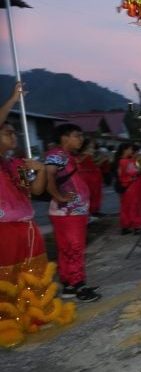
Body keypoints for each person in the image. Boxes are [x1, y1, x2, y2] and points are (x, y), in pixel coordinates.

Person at [44, 123, 101, 302]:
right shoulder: (57, 154)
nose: (81, 139)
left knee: (69, 248)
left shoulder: (67, 156)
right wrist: (59, 197)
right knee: (74, 248)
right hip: (68, 212)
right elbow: (47, 175)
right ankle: (78, 285)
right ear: (64, 137)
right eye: (77, 135)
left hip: (74, 211)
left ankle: (69, 284)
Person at [0, 84, 50, 290]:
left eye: (14, 133)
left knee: (32, 273)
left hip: (28, 226)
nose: (14, 137)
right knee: (8, 276)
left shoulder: (17, 164)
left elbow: (35, 191)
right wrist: (13, 99)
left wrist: (41, 171)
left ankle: (34, 314)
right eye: (7, 133)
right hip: (5, 229)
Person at [115, 143, 141, 234]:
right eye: (130, 149)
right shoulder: (123, 161)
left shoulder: (128, 160)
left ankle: (129, 225)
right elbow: (130, 172)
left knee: (129, 207)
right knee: (133, 206)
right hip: (130, 186)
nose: (131, 151)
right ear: (125, 150)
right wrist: (140, 169)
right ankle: (136, 226)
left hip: (132, 186)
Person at [78, 138, 106, 219]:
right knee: (89, 194)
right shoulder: (83, 153)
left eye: (93, 144)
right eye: (90, 144)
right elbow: (81, 162)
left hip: (94, 175)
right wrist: (102, 160)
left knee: (96, 194)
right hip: (88, 176)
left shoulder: (93, 152)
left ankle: (95, 211)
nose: (92, 146)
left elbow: (95, 163)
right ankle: (90, 212)